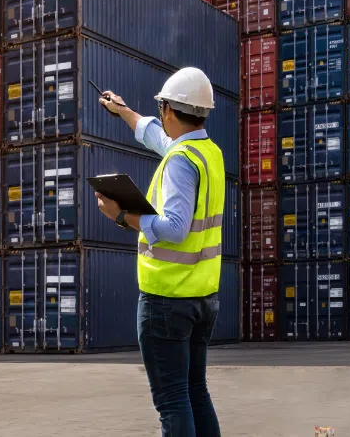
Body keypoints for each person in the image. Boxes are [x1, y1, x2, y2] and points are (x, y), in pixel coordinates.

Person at [96, 66, 225, 437]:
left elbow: (174, 227)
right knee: (194, 393)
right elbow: (157, 138)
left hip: (168, 299)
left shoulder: (181, 161)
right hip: (202, 297)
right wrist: (122, 110)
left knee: (172, 400)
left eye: (162, 109)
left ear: (170, 110)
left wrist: (123, 215)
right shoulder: (206, 152)